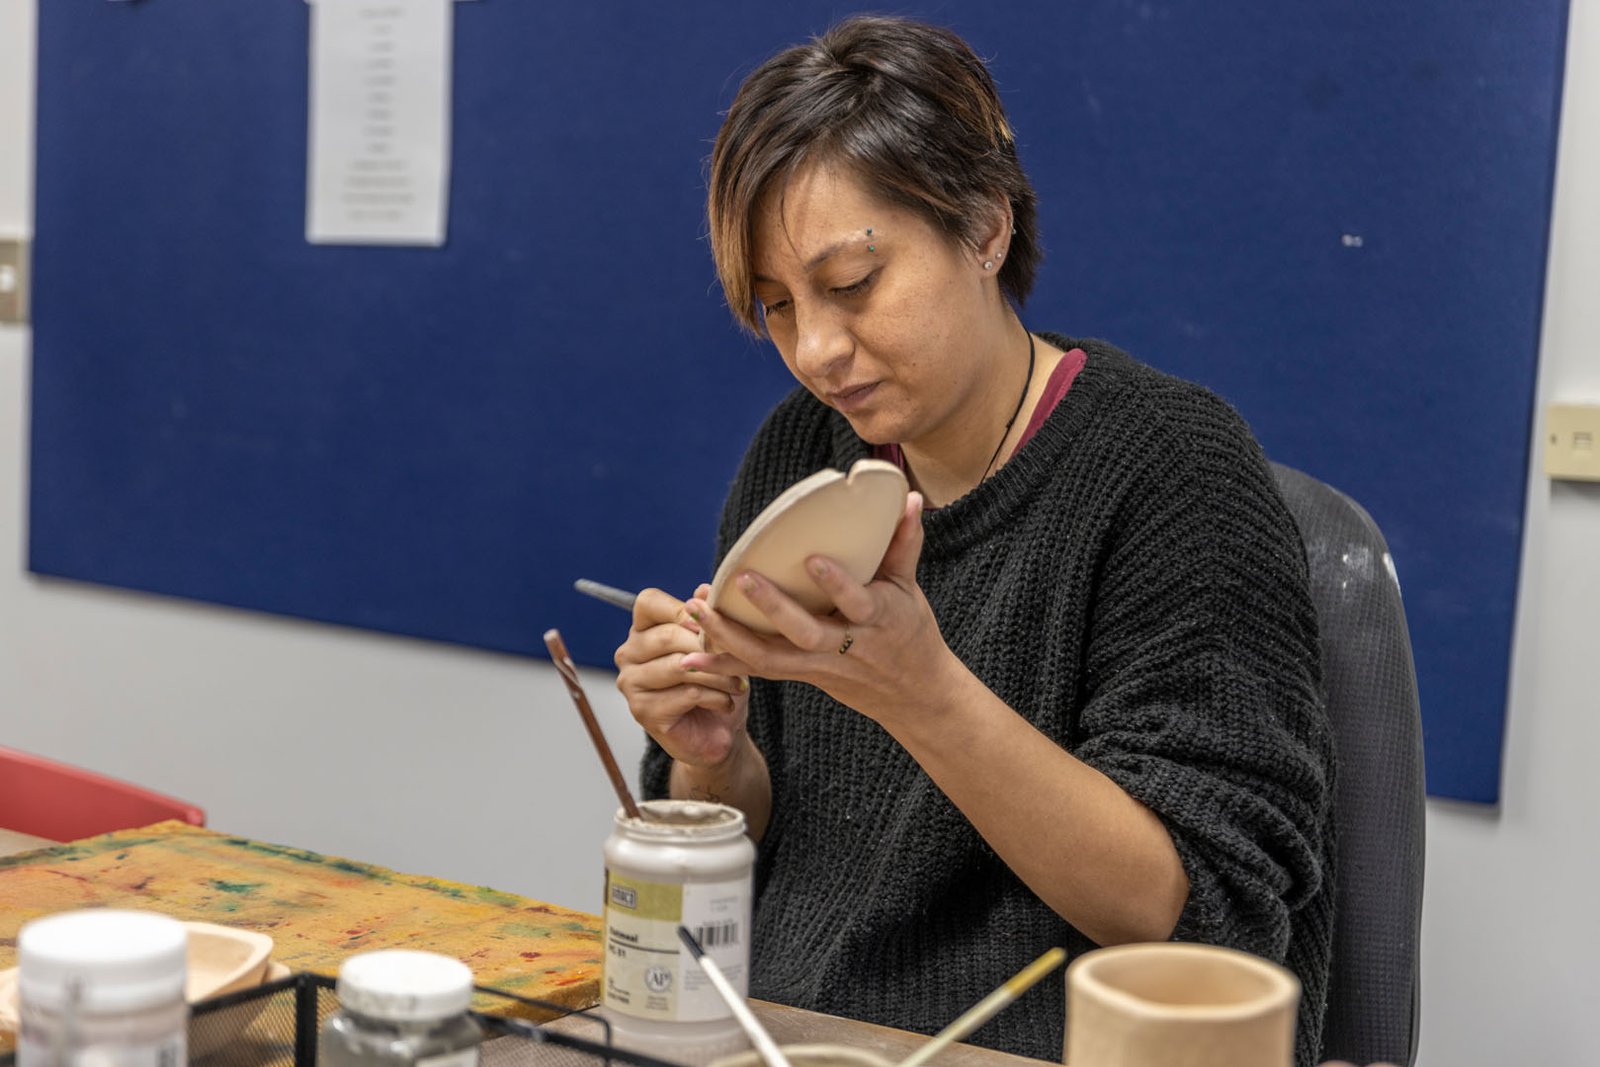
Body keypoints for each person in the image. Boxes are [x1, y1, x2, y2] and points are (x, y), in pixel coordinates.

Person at [613, 15, 1335, 1066]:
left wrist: (924, 693)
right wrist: (709, 756)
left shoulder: (1172, 470)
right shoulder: (800, 454)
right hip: (788, 1035)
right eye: (777, 307)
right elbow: (750, 842)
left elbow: (1198, 916)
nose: (816, 349)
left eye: (852, 284)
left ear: (987, 226)